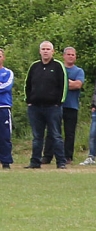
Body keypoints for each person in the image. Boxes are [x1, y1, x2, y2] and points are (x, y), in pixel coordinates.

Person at [23, 41, 67, 169]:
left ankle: (61, 162)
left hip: (53, 107)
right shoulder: (34, 66)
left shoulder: (58, 66)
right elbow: (27, 84)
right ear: (40, 51)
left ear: (52, 51)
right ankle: (35, 162)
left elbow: (63, 85)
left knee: (56, 135)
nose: (45, 51)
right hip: (35, 107)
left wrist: (59, 102)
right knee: (37, 137)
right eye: (43, 49)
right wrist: (28, 100)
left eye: (48, 49)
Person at [43, 47, 84, 165]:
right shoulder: (58, 68)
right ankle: (47, 156)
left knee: (69, 132)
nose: (70, 56)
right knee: (52, 131)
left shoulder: (79, 71)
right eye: (68, 54)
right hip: (56, 104)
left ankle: (67, 156)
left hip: (72, 106)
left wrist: (62, 83)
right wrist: (68, 83)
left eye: (73, 55)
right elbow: (50, 84)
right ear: (64, 56)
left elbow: (78, 85)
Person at [0, 48, 13, 169]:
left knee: (4, 136)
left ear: (3, 58)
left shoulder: (8, 73)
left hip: (3, 107)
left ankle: (6, 161)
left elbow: (6, 87)